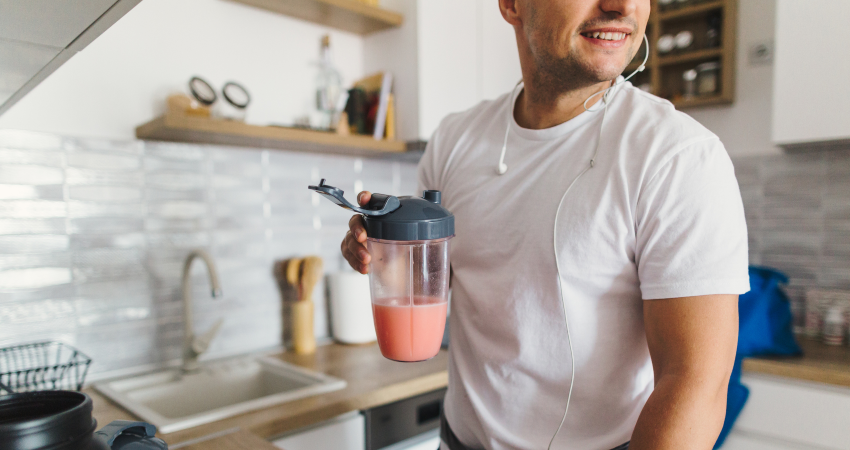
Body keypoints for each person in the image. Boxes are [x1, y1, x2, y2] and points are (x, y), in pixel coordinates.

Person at [340, 0, 749, 448]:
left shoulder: (679, 157)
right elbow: (436, 283)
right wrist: (387, 247)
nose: (621, 6)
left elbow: (695, 383)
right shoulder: (455, 140)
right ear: (513, 5)